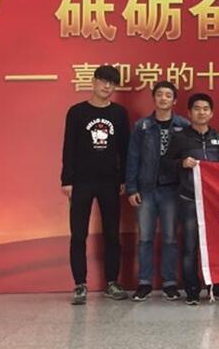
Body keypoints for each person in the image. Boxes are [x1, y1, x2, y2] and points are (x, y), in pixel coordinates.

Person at [61, 65, 130, 305]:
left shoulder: (119, 113)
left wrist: (124, 179)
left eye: (112, 83)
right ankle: (80, 284)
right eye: (103, 81)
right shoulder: (77, 112)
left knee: (112, 234)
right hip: (81, 182)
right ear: (93, 82)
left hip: (110, 182)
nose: (107, 86)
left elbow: (125, 149)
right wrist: (67, 180)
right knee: (78, 234)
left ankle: (112, 282)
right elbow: (68, 147)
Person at [162, 93, 219, 305]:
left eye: (205, 109)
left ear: (211, 113)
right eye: (197, 108)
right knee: (190, 246)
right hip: (190, 199)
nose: (201, 112)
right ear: (189, 113)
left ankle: (218, 286)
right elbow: (165, 164)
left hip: (215, 202)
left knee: (217, 246)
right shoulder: (180, 137)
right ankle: (192, 290)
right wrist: (181, 163)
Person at [125, 81, 190, 302]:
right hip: (146, 190)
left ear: (175, 100)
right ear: (154, 98)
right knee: (145, 238)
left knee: (170, 238)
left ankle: (169, 283)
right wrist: (132, 188)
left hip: (172, 190)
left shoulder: (183, 125)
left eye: (168, 95)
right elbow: (133, 158)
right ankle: (144, 282)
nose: (163, 98)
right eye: (159, 94)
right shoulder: (142, 126)